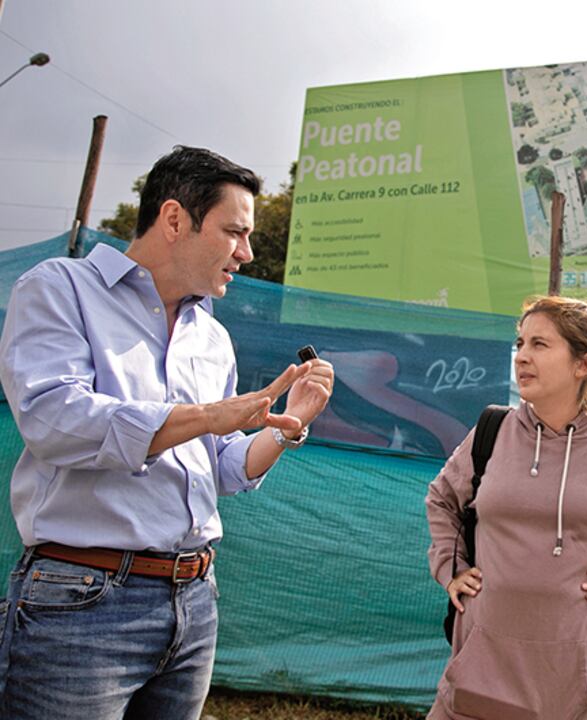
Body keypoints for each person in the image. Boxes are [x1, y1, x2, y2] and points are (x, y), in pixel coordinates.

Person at [0, 146, 335, 720]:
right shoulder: (60, 287)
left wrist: (288, 427)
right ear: (175, 219)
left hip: (195, 600)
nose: (247, 253)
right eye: (235, 232)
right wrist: (206, 416)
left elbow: (221, 467)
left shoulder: (212, 337)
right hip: (82, 601)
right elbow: (55, 420)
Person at [426, 296, 587, 720]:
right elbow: (442, 499)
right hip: (484, 661)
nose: (521, 356)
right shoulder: (494, 430)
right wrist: (450, 568)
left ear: (583, 364)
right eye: (520, 343)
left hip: (580, 678)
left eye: (540, 345)